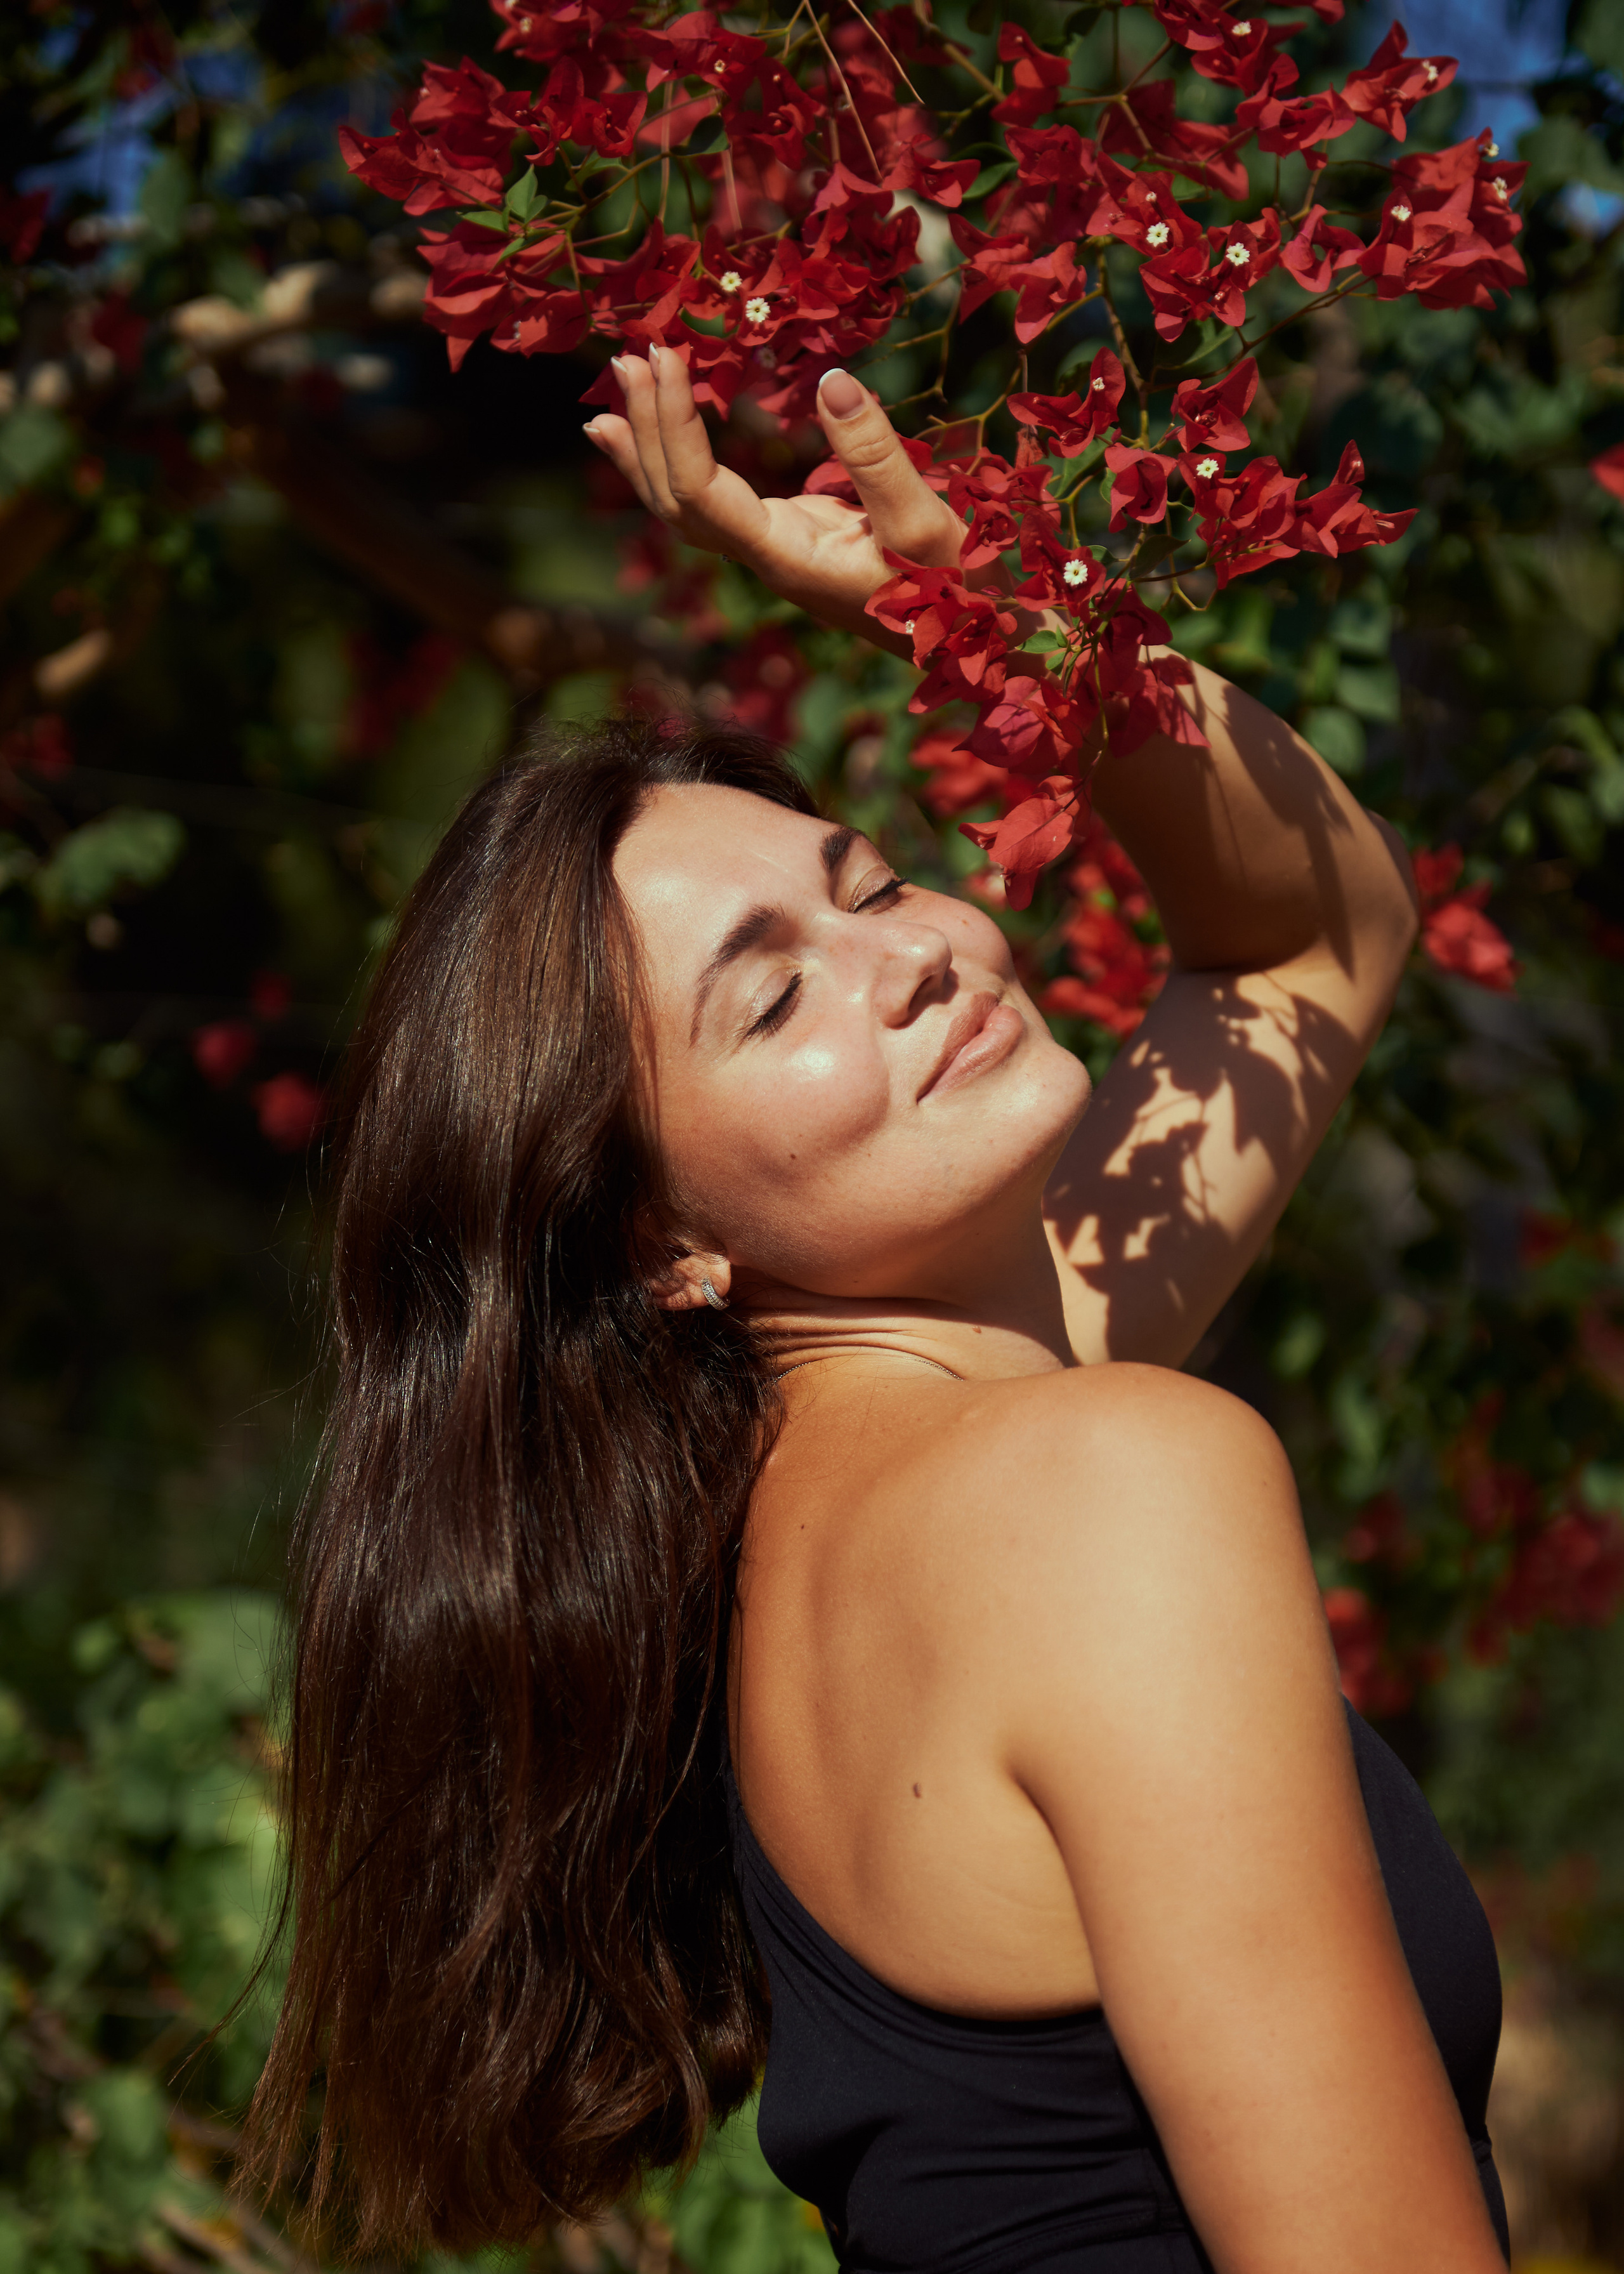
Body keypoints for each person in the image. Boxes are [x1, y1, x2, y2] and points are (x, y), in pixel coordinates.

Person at [244, 354, 1510, 2274]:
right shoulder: (1087, 1486)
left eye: (872, 883)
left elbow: (1310, 937)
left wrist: (991, 612)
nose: (913, 956)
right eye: (772, 998)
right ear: (659, 1243)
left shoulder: (817, 1525)